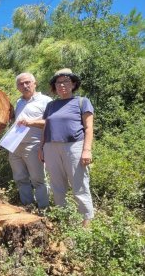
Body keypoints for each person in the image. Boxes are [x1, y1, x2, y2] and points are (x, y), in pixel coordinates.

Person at [39, 68, 94, 227]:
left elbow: (89, 128)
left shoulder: (82, 101)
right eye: (58, 82)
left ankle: (86, 224)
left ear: (73, 84)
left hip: (74, 147)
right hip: (50, 148)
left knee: (79, 185)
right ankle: (63, 220)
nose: (62, 85)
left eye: (66, 81)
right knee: (57, 186)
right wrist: (41, 148)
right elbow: (45, 128)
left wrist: (86, 150)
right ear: (54, 86)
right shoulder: (51, 105)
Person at [8, 73, 52, 214]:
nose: (25, 86)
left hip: (34, 145)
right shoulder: (18, 102)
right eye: (21, 84)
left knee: (38, 180)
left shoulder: (46, 101)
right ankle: (28, 208)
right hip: (14, 145)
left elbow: (51, 121)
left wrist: (31, 122)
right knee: (20, 179)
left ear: (35, 83)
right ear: (17, 87)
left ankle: (43, 210)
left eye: (27, 82)